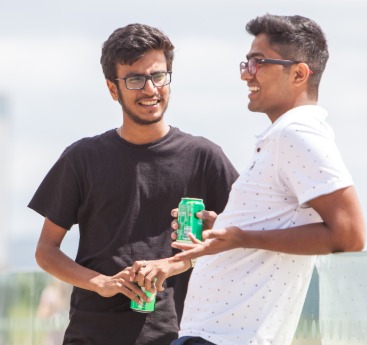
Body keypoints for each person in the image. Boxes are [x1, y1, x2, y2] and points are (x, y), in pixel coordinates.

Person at [28, 23, 238, 345]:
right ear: (114, 89)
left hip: (178, 334)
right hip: (90, 335)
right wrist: (101, 282)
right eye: (135, 79)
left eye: (158, 75)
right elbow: (46, 251)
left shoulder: (204, 157)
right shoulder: (82, 158)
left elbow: (241, 237)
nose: (151, 89)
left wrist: (176, 263)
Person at [170, 14, 366, 345]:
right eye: (246, 63)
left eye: (258, 62)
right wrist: (225, 229)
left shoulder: (297, 133)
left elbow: (349, 234)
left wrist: (240, 237)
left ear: (300, 73)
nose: (247, 74)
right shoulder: (282, 136)